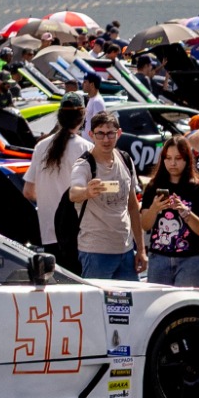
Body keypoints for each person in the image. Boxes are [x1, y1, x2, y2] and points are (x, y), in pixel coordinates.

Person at [68, 113, 142, 280]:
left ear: (119, 133)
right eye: (100, 134)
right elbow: (73, 193)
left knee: (128, 306)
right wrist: (87, 192)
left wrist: (142, 250)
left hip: (126, 250)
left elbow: (132, 206)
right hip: (96, 252)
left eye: (110, 133)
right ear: (91, 135)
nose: (106, 139)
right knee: (96, 305)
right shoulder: (84, 164)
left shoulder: (125, 159)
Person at [24, 100, 90, 275]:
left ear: (59, 118)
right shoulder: (86, 148)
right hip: (78, 234)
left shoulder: (40, 147)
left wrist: (48, 199)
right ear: (82, 118)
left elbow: (28, 192)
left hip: (48, 232)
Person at [138, 138, 199, 287]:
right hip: (159, 258)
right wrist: (155, 208)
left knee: (188, 306)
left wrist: (184, 211)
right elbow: (145, 225)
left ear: (187, 159)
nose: (172, 163)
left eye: (178, 158)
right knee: (159, 306)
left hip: (191, 259)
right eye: (168, 158)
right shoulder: (154, 186)